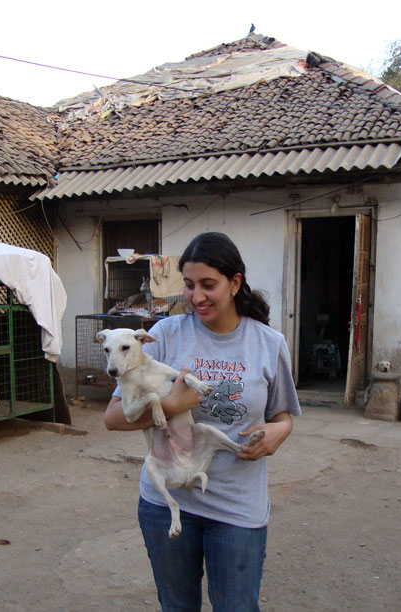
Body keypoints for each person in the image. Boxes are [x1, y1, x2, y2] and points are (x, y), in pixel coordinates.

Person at [104, 231, 301, 612]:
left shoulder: (268, 342)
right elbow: (113, 417)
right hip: (167, 504)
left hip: (237, 507)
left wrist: (280, 432)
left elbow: (283, 416)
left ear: (235, 282)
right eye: (190, 285)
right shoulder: (161, 336)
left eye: (208, 285)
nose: (196, 297)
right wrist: (174, 403)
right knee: (177, 607)